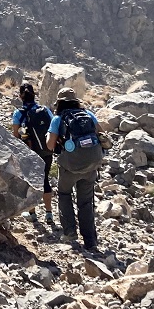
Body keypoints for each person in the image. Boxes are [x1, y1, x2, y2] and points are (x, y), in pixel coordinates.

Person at [46, 87, 104, 250]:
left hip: (69, 166)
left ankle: (70, 231)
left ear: (59, 103)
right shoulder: (89, 115)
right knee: (86, 201)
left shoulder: (58, 119)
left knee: (64, 194)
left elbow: (50, 145)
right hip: (91, 165)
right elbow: (102, 134)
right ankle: (90, 240)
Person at [11, 82, 56, 227]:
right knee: (45, 179)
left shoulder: (18, 113)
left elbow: (15, 136)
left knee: (31, 182)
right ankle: (49, 214)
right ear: (34, 95)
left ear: (20, 96)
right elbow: (53, 129)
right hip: (46, 150)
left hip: (29, 152)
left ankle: (32, 214)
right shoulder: (45, 110)